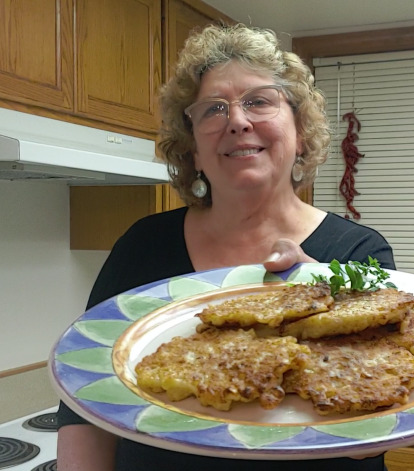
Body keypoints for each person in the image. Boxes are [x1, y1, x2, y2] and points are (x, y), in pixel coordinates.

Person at [56, 23, 395, 471]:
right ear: (193, 149)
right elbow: (86, 395)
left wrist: (325, 301)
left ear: (299, 133)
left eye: (259, 101)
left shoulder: (357, 251)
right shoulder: (142, 245)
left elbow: (370, 436)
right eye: (213, 110)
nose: (237, 120)